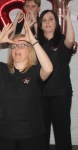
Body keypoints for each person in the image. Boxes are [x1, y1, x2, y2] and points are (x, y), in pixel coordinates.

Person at [0, 20, 53, 150]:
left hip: (32, 135)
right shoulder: (3, 70)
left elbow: (49, 69)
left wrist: (34, 41)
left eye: (22, 46)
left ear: (30, 51)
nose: (17, 48)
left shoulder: (35, 71)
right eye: (14, 46)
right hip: (7, 135)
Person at [37, 6, 75, 150]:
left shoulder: (62, 41)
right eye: (44, 20)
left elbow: (71, 40)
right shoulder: (37, 43)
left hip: (61, 93)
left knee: (62, 130)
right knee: (42, 131)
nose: (47, 23)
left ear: (56, 23)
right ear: (40, 24)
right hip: (41, 94)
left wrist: (68, 19)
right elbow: (24, 43)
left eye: (51, 19)